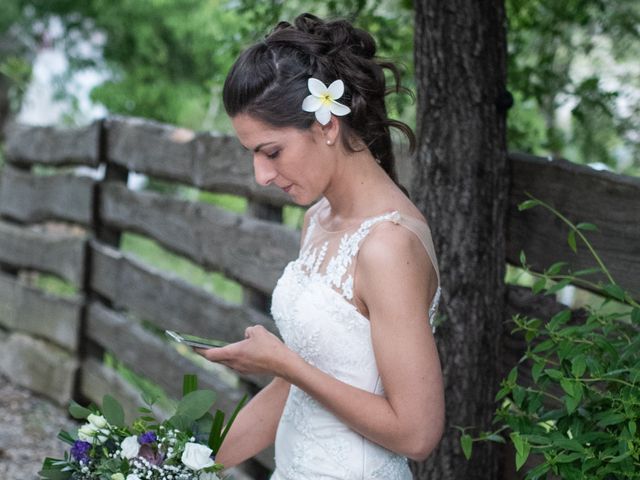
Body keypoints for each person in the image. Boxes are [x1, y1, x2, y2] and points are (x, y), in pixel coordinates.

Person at [196, 12, 445, 479]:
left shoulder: (388, 245)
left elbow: (418, 433)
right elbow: (297, 386)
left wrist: (285, 363)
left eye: (271, 152)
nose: (262, 176)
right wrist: (181, 465)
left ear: (327, 125)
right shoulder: (316, 220)